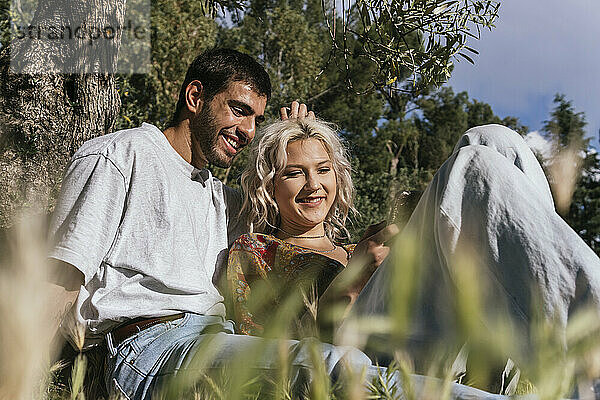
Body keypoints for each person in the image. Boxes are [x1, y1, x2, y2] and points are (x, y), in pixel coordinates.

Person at [48, 48, 503, 399]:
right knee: (333, 368)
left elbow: (292, 204)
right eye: (239, 110)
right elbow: (59, 280)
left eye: (257, 119)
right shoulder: (121, 156)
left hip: (217, 340)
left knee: (485, 146)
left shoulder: (219, 199)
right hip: (147, 349)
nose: (248, 130)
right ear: (194, 97)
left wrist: (293, 142)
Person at [226, 118, 393, 340]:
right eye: (294, 173)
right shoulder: (257, 252)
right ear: (269, 185)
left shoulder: (361, 252)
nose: (313, 184)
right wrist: (353, 280)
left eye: (323, 170)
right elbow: (266, 351)